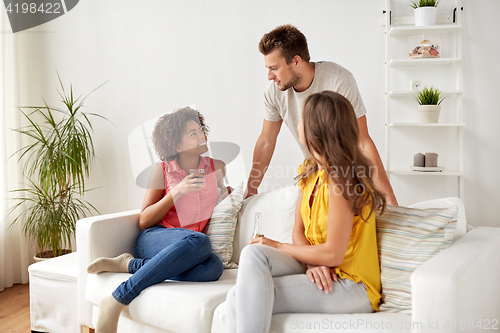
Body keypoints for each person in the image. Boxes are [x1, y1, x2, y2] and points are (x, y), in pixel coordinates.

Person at [226, 91, 387, 333]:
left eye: (302, 119)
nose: (298, 124)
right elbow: (298, 231)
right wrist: (312, 264)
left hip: (351, 285)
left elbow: (333, 254)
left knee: (240, 298)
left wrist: (277, 246)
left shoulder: (342, 180)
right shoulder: (311, 170)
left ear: (316, 129)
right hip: (320, 268)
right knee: (254, 253)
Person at [87, 107, 227, 333]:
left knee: (213, 267)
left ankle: (129, 264)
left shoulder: (216, 167)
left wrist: (229, 196)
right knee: (200, 241)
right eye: (193, 133)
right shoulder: (161, 171)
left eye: (200, 130)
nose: (202, 135)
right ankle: (117, 299)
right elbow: (144, 220)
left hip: (187, 247)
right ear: (177, 145)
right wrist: (176, 192)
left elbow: (221, 200)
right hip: (155, 237)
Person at [246, 24, 398, 205]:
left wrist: (389, 199)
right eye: (267, 68)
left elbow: (362, 141)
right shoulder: (274, 92)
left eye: (274, 68)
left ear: (296, 61)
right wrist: (251, 188)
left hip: (347, 176)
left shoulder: (338, 80)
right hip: (314, 173)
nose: (269, 76)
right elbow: (266, 141)